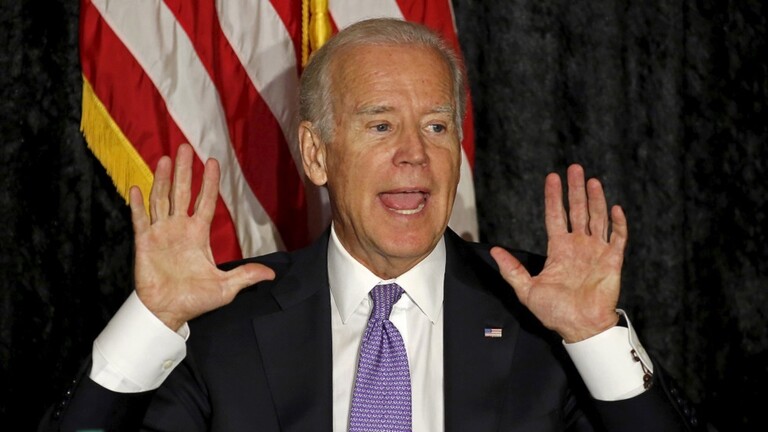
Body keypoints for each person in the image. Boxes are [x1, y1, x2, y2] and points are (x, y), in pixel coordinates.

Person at [40, 18, 701, 432]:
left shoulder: (544, 316)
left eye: (436, 126)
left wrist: (594, 338)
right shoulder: (225, 328)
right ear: (317, 154)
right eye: (380, 125)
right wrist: (153, 320)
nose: (414, 153)